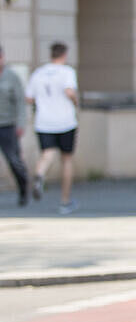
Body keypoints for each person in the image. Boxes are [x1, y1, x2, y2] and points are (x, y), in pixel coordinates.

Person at [27, 42, 79, 214]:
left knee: (47, 153)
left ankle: (40, 174)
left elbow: (29, 98)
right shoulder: (67, 72)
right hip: (65, 121)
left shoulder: (38, 73)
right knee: (66, 159)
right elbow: (70, 92)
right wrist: (75, 102)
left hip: (44, 121)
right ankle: (65, 201)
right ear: (64, 55)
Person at [0, 44, 30, 206]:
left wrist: (21, 124)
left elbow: (20, 102)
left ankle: (23, 187)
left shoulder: (11, 77)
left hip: (7, 125)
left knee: (13, 160)